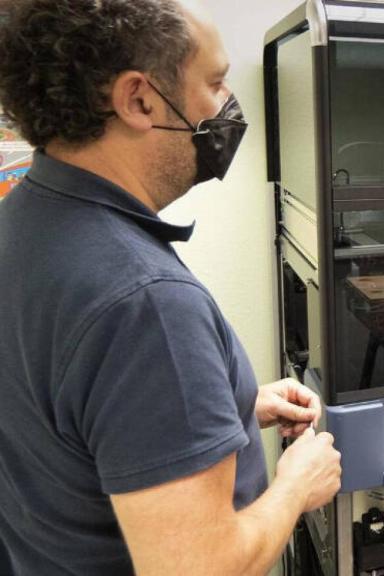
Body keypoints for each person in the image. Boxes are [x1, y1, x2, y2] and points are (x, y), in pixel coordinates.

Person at [0, 1, 342, 574]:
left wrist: (228, 406)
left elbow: (69, 421)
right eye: (214, 82)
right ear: (140, 100)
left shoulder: (22, 219)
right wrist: (296, 486)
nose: (228, 103)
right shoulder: (145, 302)